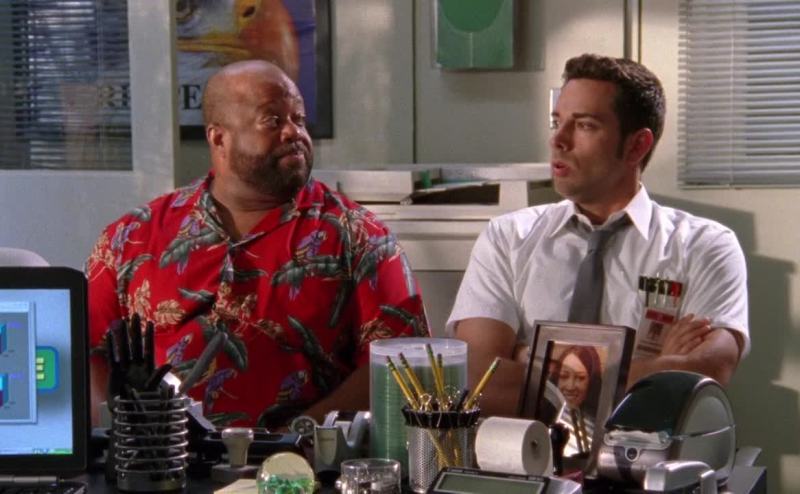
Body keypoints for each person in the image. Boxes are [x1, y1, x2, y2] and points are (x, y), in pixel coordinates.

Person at [86, 60, 428, 429]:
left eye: (299, 119)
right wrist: (125, 433)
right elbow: (85, 352)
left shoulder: (359, 236)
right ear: (219, 138)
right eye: (272, 120)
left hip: (302, 455)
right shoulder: (132, 236)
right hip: (158, 453)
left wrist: (292, 440)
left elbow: (399, 364)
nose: (293, 132)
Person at [447, 53, 748, 417]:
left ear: (636, 146)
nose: (558, 140)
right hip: (523, 449)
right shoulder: (508, 237)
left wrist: (529, 361)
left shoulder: (705, 246)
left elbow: (707, 371)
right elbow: (481, 379)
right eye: (557, 122)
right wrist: (656, 368)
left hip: (641, 450)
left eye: (585, 125)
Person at [549, 346, 603, 456]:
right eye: (564, 376)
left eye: (580, 378)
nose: (570, 386)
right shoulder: (543, 417)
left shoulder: (600, 428)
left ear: (592, 382)